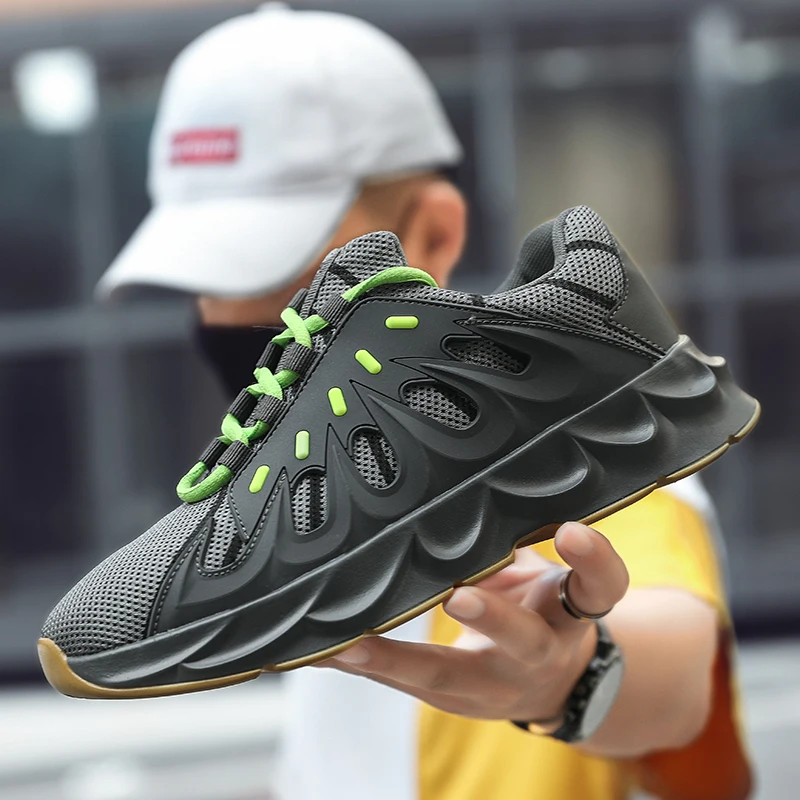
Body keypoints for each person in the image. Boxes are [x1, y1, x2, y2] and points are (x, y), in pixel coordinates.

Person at [99, 5, 752, 799]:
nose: (232, 314)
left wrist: (574, 675)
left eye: (285, 271)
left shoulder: (564, 455)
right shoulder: (308, 493)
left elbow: (677, 680)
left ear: (435, 236)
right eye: (206, 275)